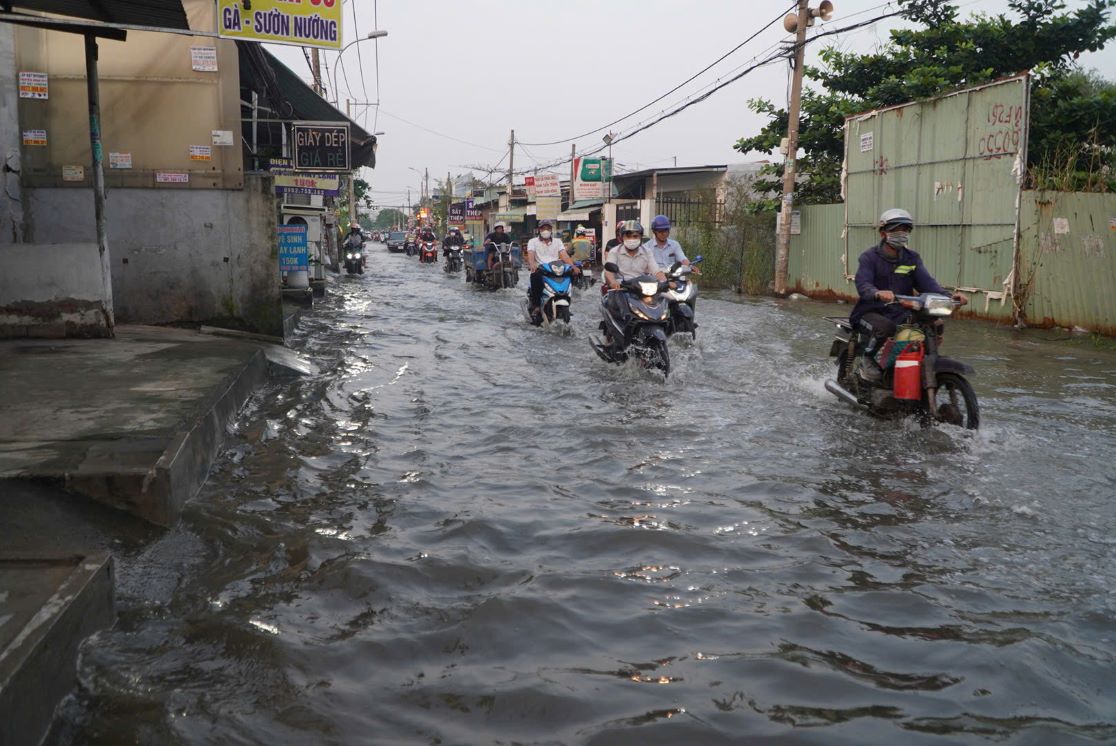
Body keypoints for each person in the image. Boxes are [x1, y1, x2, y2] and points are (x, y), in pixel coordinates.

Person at [849, 208, 969, 382]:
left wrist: (950, 297)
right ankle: (866, 359)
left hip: (901, 311)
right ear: (883, 233)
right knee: (885, 328)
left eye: (905, 229)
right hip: (870, 311)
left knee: (936, 323)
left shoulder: (911, 258)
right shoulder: (869, 257)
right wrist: (876, 293)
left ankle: (918, 364)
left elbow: (927, 283)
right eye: (896, 229)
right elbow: (863, 284)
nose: (902, 233)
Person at [526, 219, 579, 316]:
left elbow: (564, 255)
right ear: (539, 230)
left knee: (572, 274)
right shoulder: (532, 242)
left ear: (551, 230)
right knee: (535, 276)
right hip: (541, 270)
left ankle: (567, 300)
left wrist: (573, 266)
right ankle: (536, 305)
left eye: (548, 228)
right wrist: (532, 265)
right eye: (543, 228)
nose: (545, 230)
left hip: (556, 269)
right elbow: (531, 254)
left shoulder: (558, 242)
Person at [604, 220, 666, 290]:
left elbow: (656, 271)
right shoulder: (614, 252)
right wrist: (613, 282)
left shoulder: (647, 252)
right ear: (622, 238)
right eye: (628, 236)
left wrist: (665, 282)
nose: (632, 239)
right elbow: (609, 273)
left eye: (635, 236)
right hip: (621, 288)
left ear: (640, 237)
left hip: (642, 288)